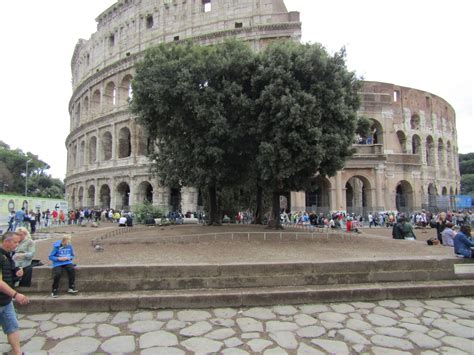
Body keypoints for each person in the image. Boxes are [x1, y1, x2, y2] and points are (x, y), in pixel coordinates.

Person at [0, 232, 30, 355]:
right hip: (5, 297)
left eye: (18, 242)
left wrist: (17, 271)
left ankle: (18, 353)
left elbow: (8, 273)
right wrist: (16, 295)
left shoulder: (7, 255)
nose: (17, 245)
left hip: (5, 300)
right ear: (6, 241)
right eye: (15, 242)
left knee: (12, 327)